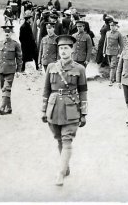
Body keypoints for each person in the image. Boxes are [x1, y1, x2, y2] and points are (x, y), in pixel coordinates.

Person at [41, 34, 88, 186]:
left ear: (72, 50)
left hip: (71, 108)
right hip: (53, 108)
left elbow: (83, 92)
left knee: (67, 140)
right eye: (61, 48)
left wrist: (84, 113)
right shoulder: (51, 67)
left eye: (66, 48)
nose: (63, 51)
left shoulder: (79, 69)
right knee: (59, 139)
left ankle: (60, 173)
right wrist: (43, 111)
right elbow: (46, 90)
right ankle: (65, 166)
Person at [0, 25, 22, 115]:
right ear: (3, 33)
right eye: (5, 32)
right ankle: (9, 108)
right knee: (3, 89)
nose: (7, 33)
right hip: (0, 70)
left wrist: (18, 70)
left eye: (8, 32)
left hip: (10, 70)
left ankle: (2, 107)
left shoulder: (15, 44)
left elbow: (19, 58)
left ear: (11, 33)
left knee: (6, 88)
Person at [103, 20, 124, 86]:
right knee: (111, 66)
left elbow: (121, 45)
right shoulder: (107, 33)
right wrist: (104, 51)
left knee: (113, 66)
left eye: (113, 26)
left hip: (115, 52)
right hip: (108, 52)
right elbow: (105, 43)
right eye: (111, 26)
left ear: (116, 26)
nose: (112, 27)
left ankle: (111, 81)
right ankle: (115, 78)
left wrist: (119, 53)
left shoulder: (118, 34)